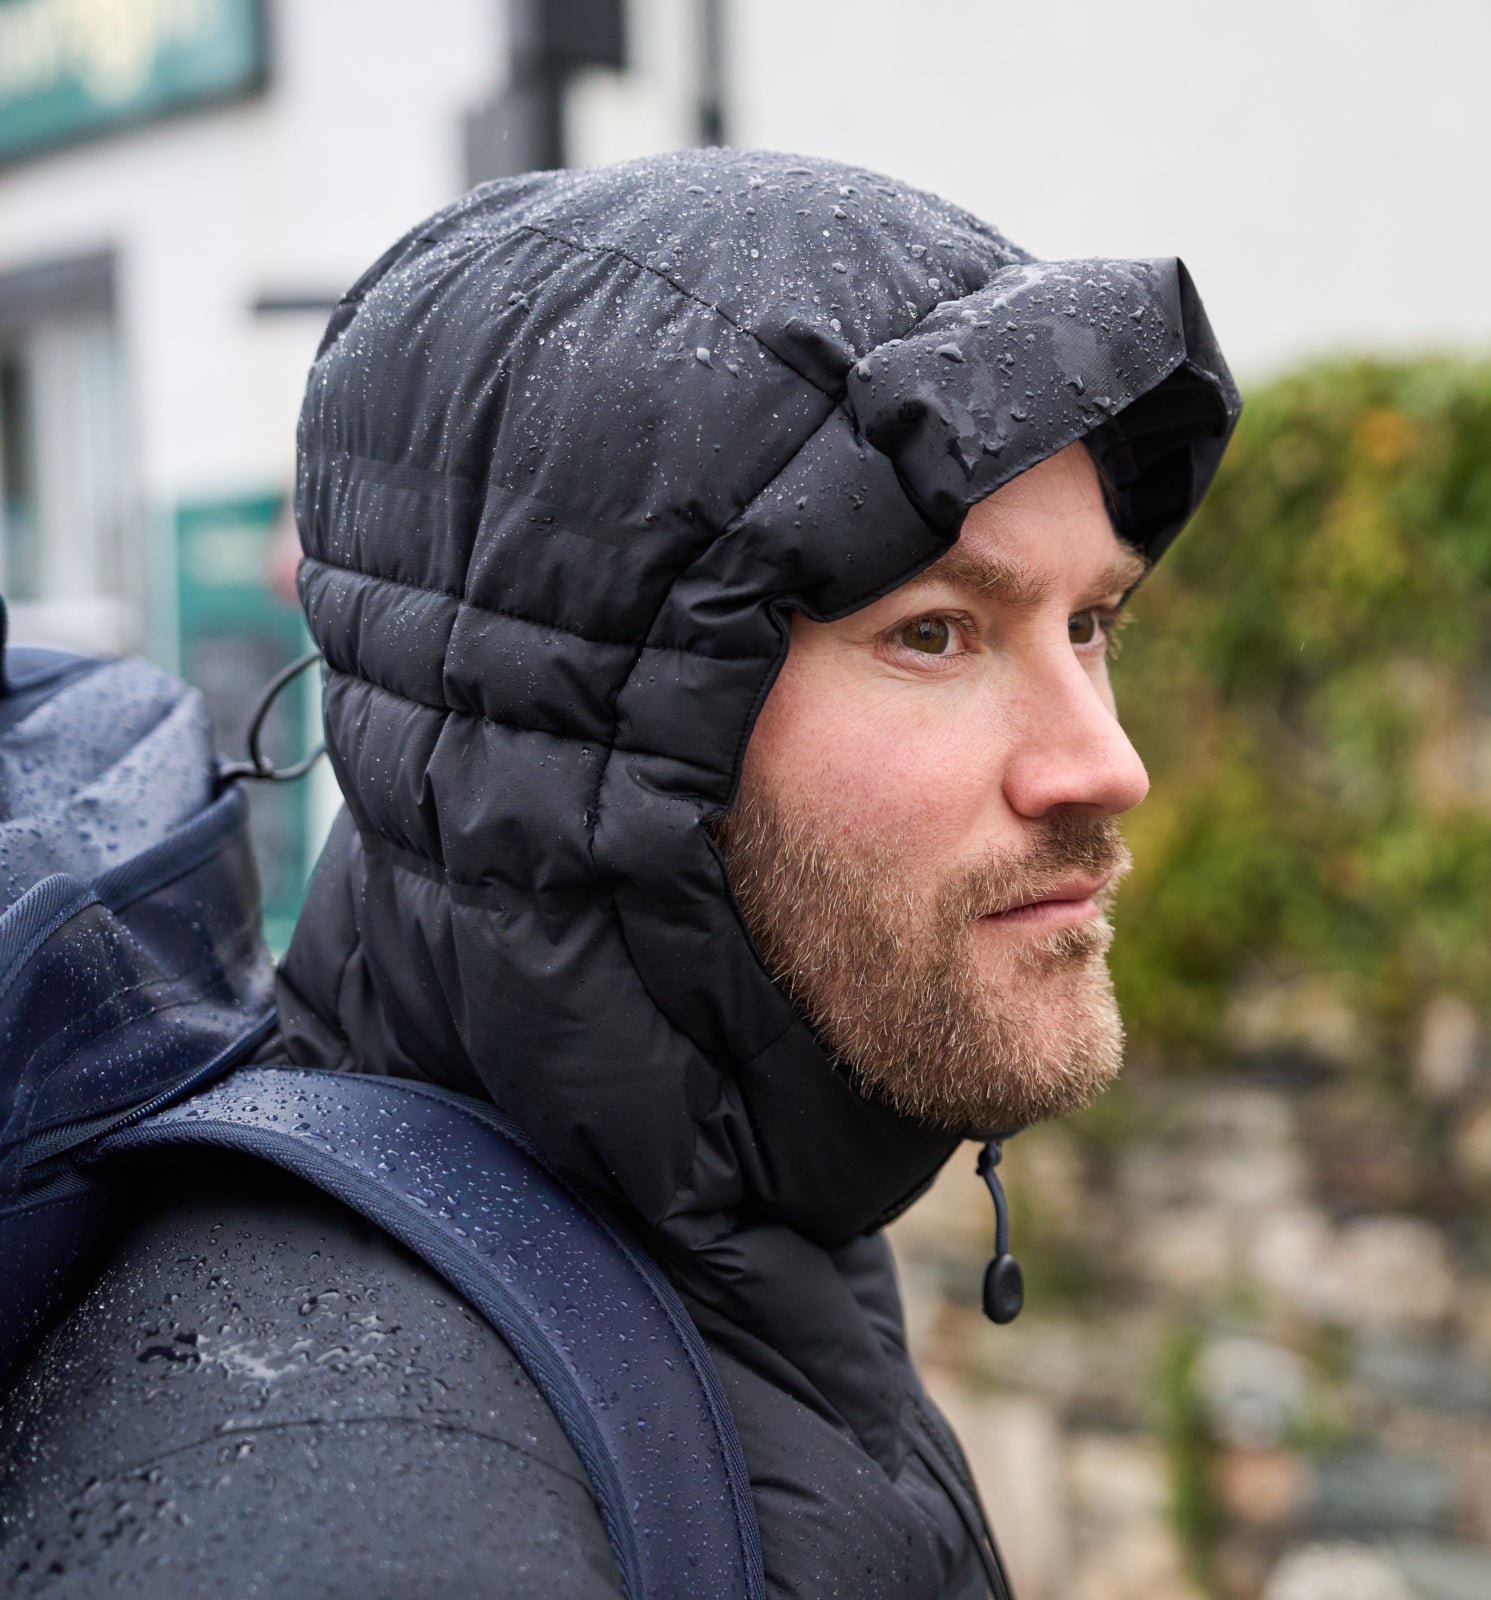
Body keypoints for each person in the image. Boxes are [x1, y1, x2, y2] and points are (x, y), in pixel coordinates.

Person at [0, 149, 1238, 1597]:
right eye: (935, 633)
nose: (1104, 764)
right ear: (598, 740)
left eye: (1090, 624)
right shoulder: (343, 1474)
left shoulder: (734, 1241)